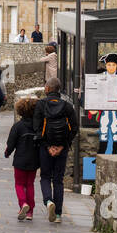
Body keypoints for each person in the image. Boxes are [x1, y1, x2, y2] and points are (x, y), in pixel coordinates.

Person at [34, 81, 78, 223]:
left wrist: (47, 146)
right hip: (62, 148)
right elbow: (74, 127)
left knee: (45, 176)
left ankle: (48, 201)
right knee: (58, 180)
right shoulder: (67, 106)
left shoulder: (41, 104)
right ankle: (58, 214)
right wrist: (62, 146)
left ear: (47, 89)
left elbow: (37, 127)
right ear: (59, 90)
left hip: (45, 147)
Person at [4, 97, 41, 220]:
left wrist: (7, 153)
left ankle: (23, 204)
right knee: (30, 184)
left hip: (20, 159)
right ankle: (30, 212)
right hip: (34, 160)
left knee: (19, 184)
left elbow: (11, 144)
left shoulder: (17, 126)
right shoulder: (38, 126)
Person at [97, 52, 117, 154]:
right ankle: (101, 155)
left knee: (116, 131)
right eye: (109, 65)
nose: (111, 67)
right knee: (104, 130)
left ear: (116, 66)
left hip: (116, 109)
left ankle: (115, 155)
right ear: (105, 65)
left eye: (113, 65)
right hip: (105, 108)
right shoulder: (101, 77)